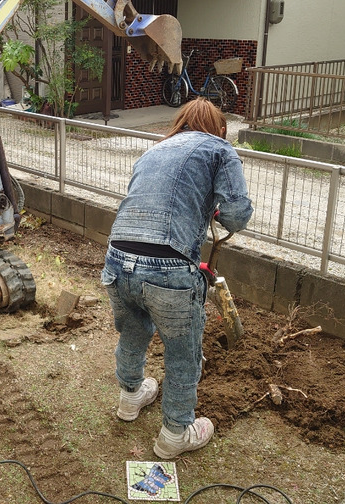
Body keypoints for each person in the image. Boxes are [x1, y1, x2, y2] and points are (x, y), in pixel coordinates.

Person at [101, 98, 253, 459]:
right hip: (168, 268)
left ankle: (130, 398)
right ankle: (175, 434)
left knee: (134, 331)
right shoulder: (219, 147)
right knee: (183, 351)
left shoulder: (155, 149)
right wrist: (216, 210)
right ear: (218, 127)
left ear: (180, 123)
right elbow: (235, 215)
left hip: (117, 259)